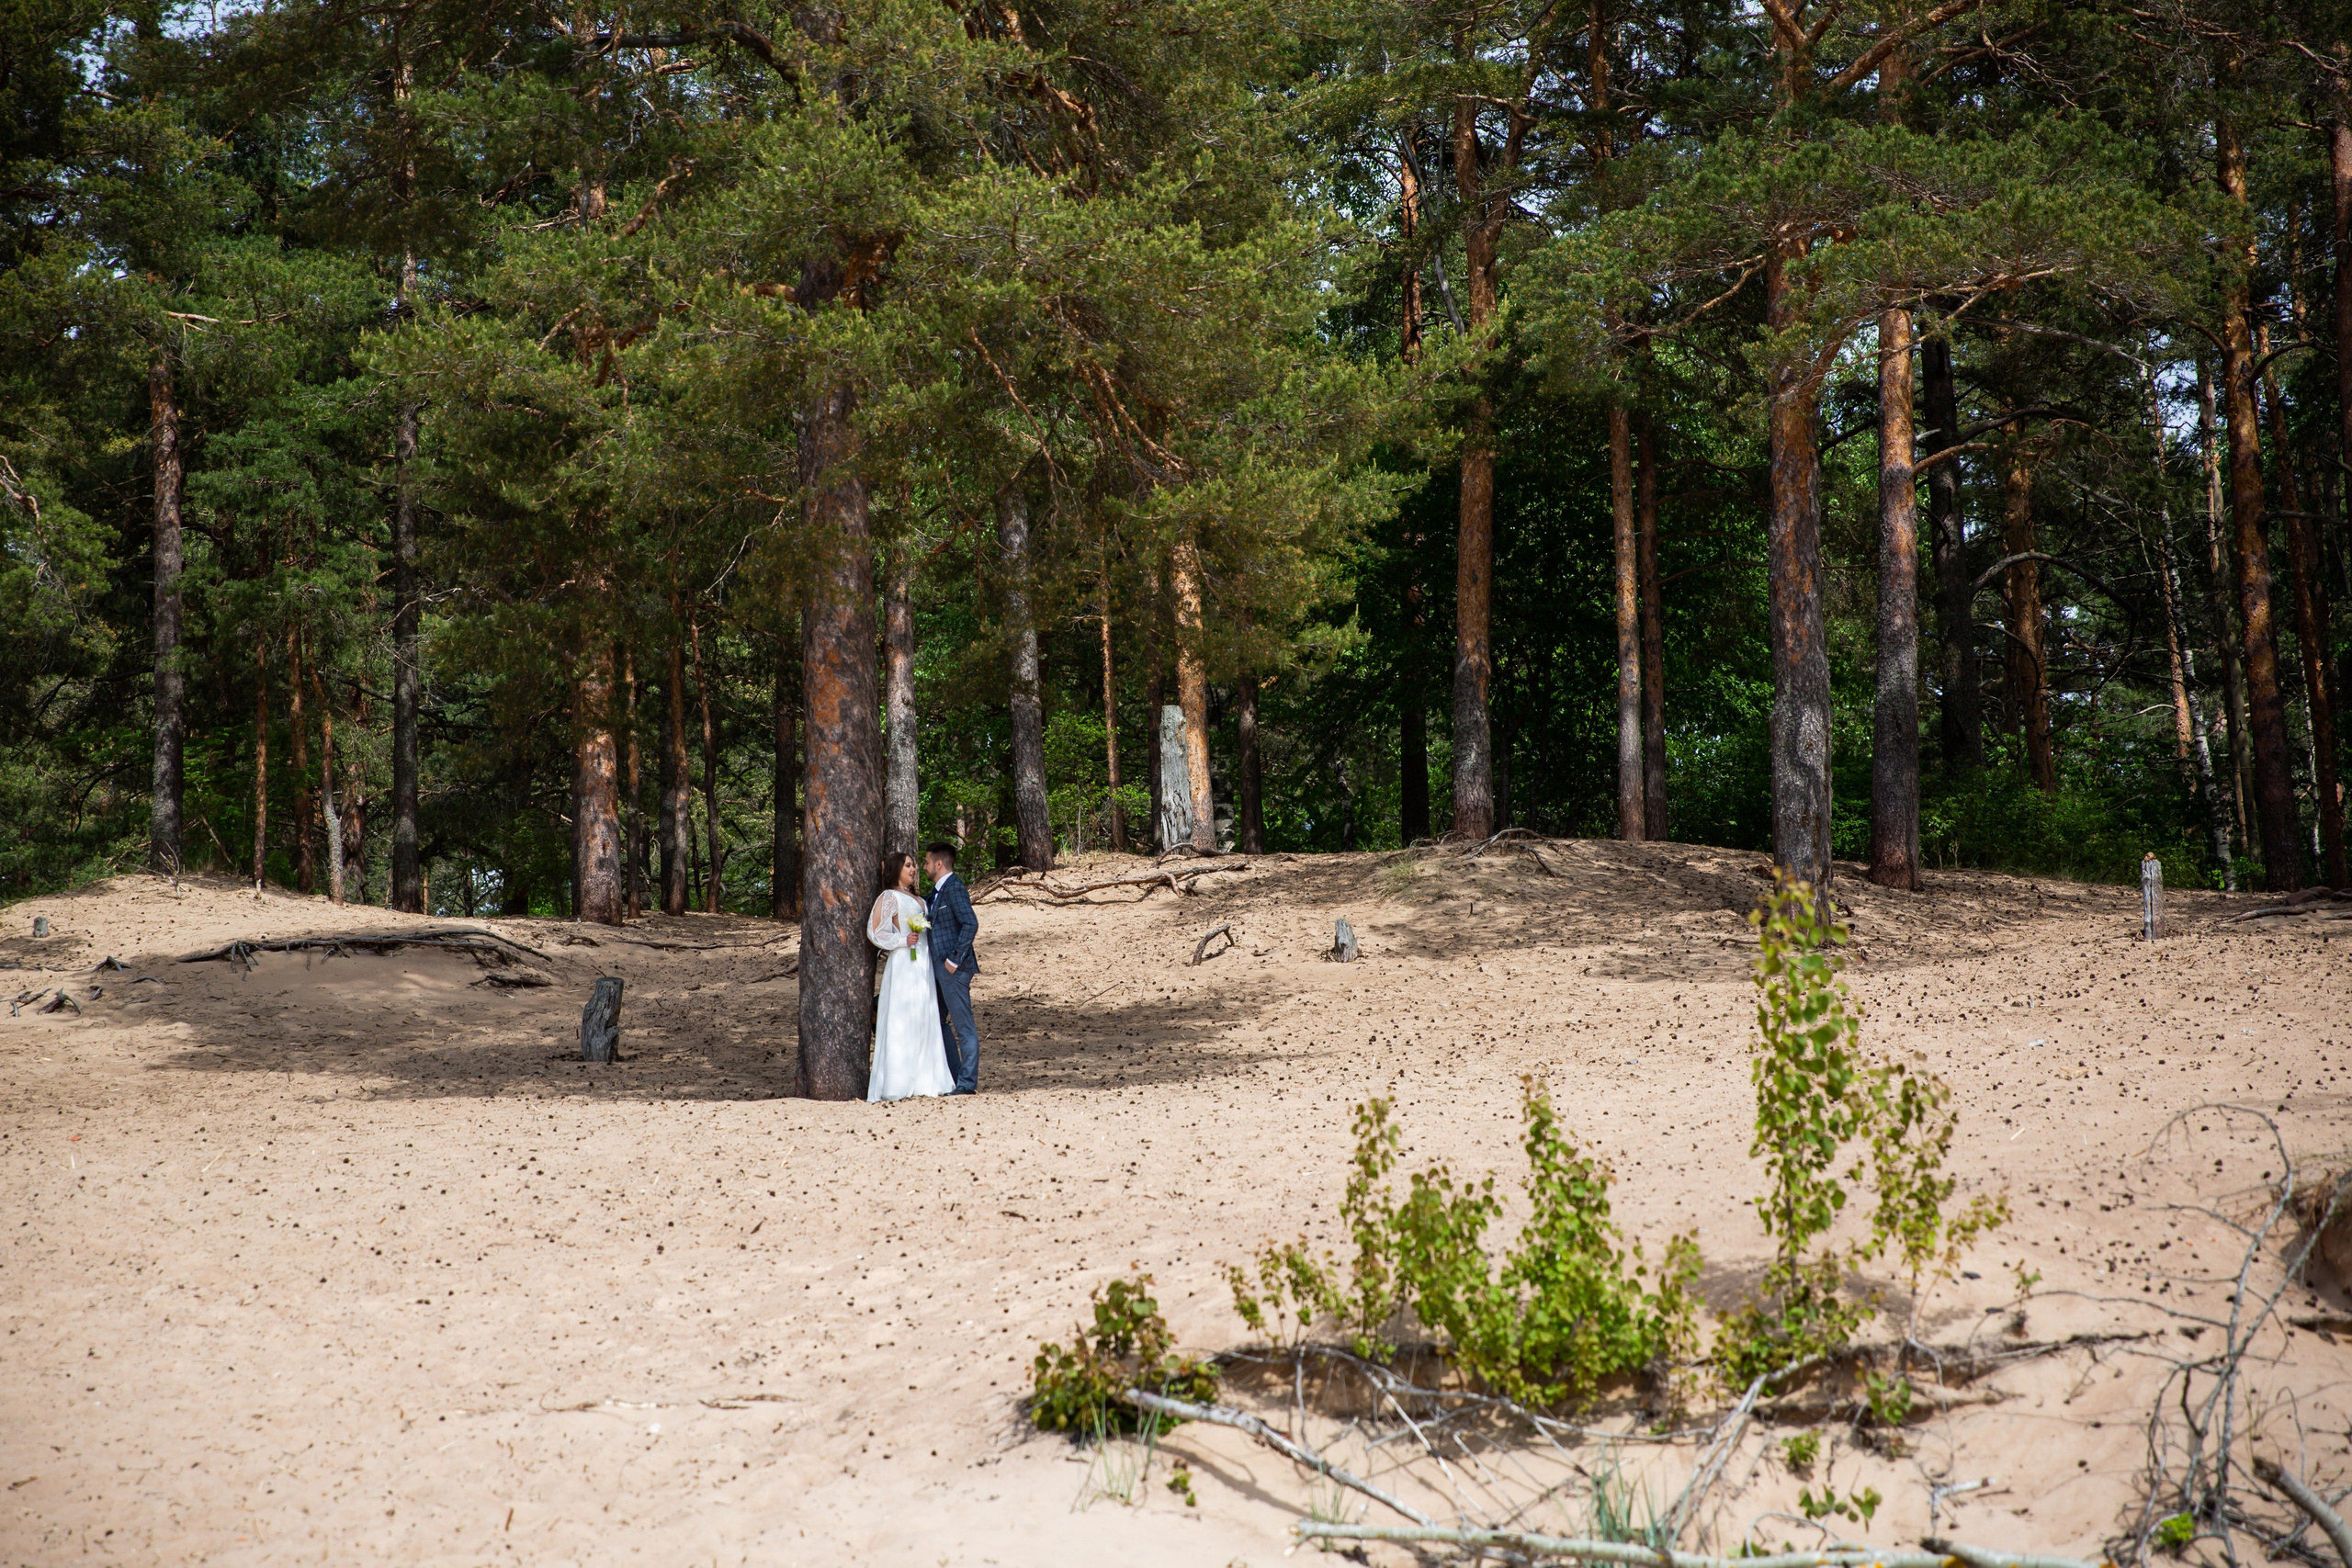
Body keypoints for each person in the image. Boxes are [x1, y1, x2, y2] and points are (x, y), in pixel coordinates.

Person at [865, 852, 955, 1102]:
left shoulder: (920, 900)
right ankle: (899, 1080)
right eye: (908, 865)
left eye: (915, 865)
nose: (914, 869)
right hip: (904, 962)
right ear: (896, 869)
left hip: (923, 962)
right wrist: (902, 940)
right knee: (902, 1017)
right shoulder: (889, 896)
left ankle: (926, 1077)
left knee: (925, 1015)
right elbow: (874, 931)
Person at [924, 840, 980, 1094]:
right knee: (938, 1020)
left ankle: (967, 1084)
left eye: (926, 863)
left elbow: (970, 923)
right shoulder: (936, 892)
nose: (924, 867)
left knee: (963, 1025)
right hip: (938, 970)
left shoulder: (955, 887)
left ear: (939, 863)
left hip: (954, 969)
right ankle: (956, 1076)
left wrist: (955, 959)